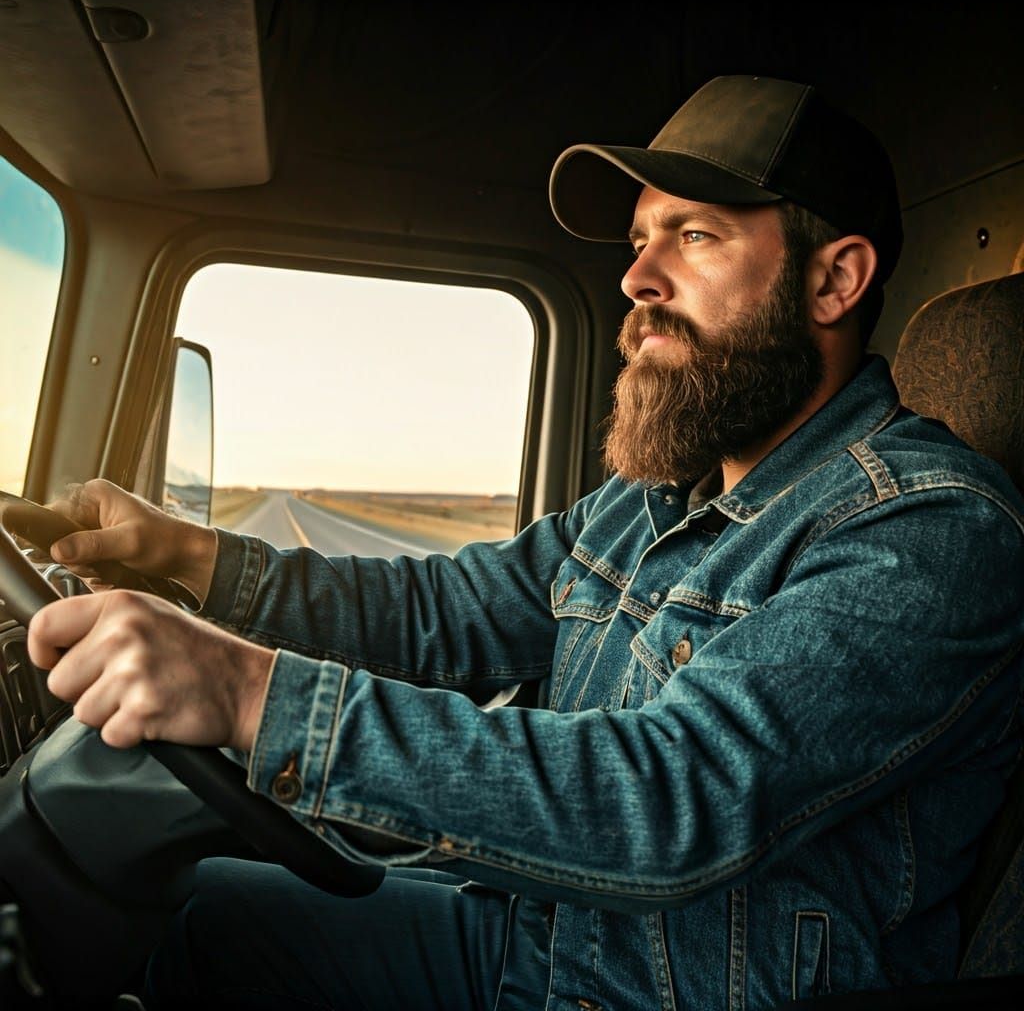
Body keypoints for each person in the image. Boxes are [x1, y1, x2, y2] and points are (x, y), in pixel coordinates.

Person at [28, 75, 1024, 1009]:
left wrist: (247, 691)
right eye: (639, 239)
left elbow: (668, 796)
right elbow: (446, 612)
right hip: (545, 928)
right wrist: (186, 558)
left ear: (833, 280)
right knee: (192, 902)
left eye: (693, 235)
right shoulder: (648, 500)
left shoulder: (930, 532)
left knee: (180, 924)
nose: (637, 276)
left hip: (630, 986)